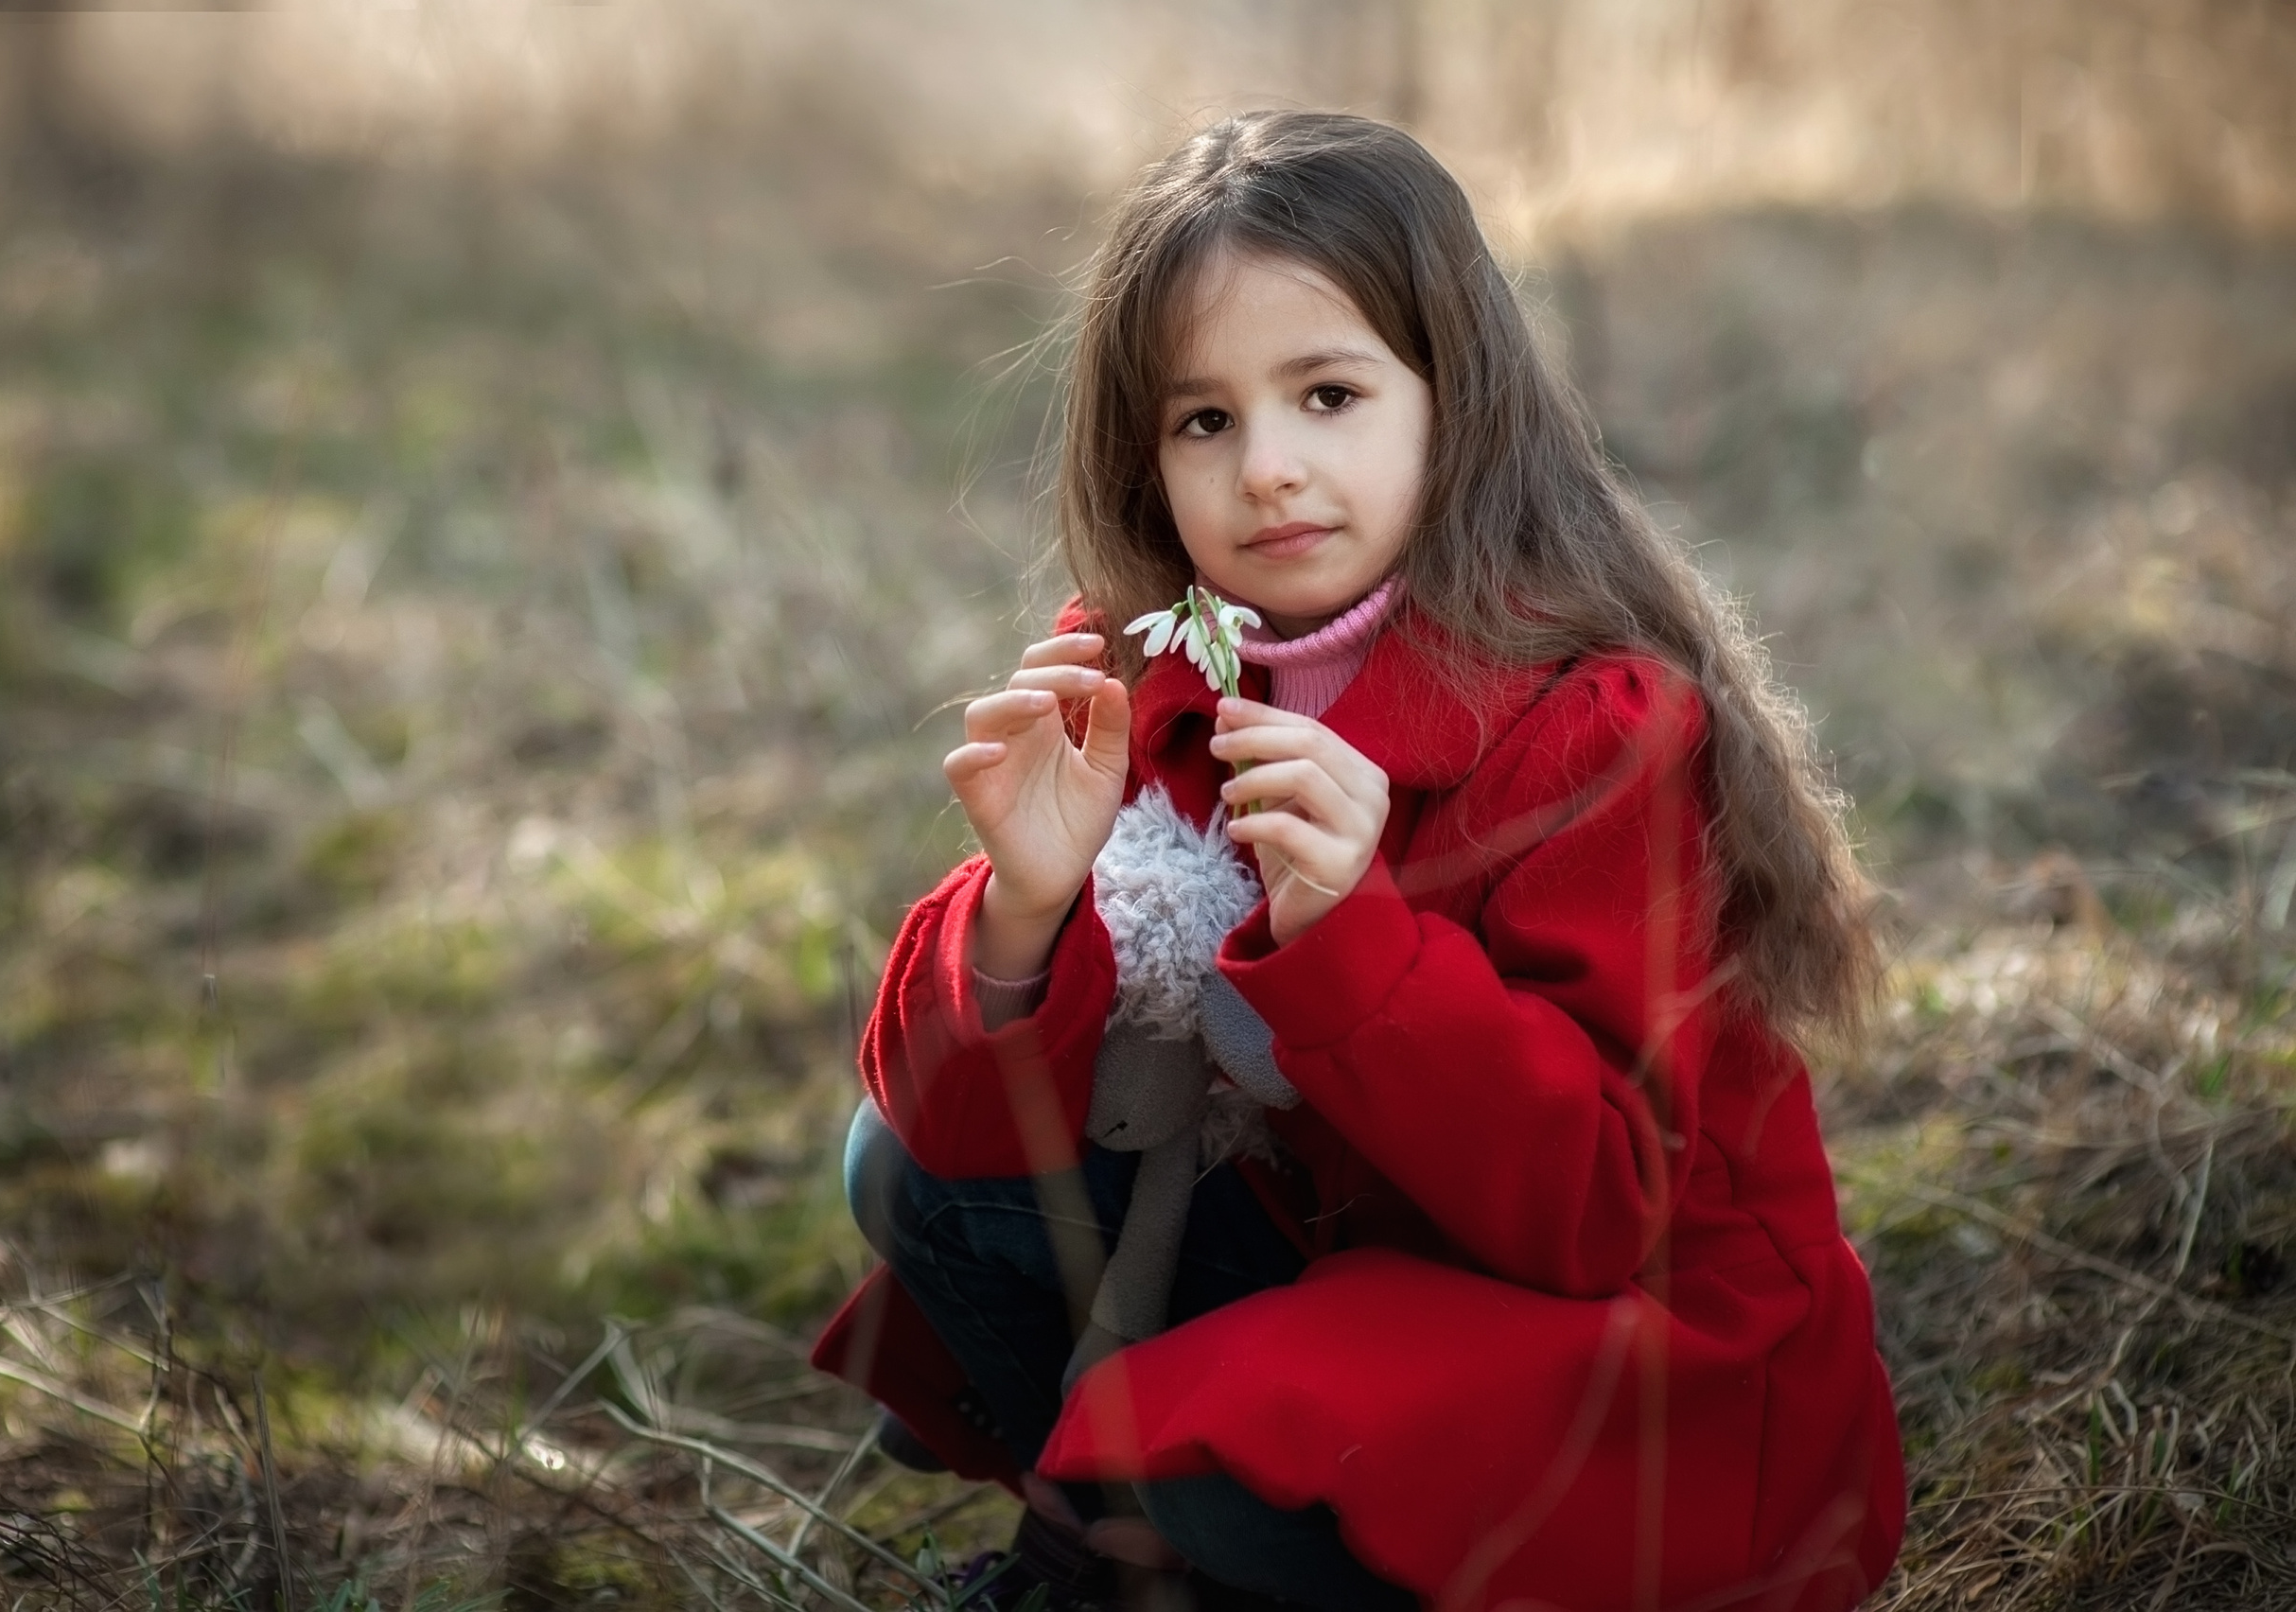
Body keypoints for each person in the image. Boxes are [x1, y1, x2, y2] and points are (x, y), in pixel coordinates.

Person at [811, 111, 1905, 1612]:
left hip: (1613, 1345)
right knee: (906, 1169)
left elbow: (1592, 1212)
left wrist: (1348, 931)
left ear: (1453, 401)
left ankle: (1147, 1529)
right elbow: (948, 1104)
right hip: (1332, 1241)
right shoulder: (1147, 664)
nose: (1268, 469)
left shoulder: (1595, 726)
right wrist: (1025, 910)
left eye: (1327, 394)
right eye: (1204, 421)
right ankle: (1138, 1536)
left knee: (1209, 1456)